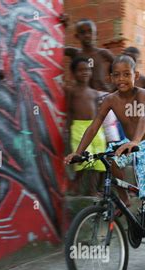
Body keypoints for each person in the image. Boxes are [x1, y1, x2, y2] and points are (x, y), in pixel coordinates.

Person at [65, 55, 145, 259]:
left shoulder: (142, 95)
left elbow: (144, 117)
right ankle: (124, 198)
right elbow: (95, 124)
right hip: (128, 145)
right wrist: (78, 152)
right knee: (110, 159)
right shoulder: (110, 100)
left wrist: (136, 141)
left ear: (136, 75)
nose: (122, 79)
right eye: (117, 75)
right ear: (111, 78)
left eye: (127, 74)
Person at [64, 56, 107, 195]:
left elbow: (98, 113)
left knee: (98, 158)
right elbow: (69, 111)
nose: (84, 73)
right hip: (78, 127)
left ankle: (92, 190)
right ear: (73, 73)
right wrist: (67, 129)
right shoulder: (71, 91)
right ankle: (74, 187)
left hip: (95, 128)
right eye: (80, 70)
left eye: (87, 70)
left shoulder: (94, 93)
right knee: (83, 158)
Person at [61, 17, 115, 92]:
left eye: (90, 32)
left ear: (96, 34)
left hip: (101, 96)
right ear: (77, 36)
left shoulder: (103, 53)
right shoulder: (75, 53)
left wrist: (112, 88)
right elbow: (56, 48)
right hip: (84, 98)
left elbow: (119, 68)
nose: (87, 35)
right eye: (82, 32)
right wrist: (61, 26)